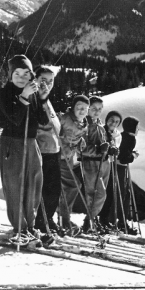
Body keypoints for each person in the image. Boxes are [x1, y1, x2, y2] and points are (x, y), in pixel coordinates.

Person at [0, 55, 48, 243]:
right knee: (15, 186)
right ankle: (19, 227)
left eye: (26, 73)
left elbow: (43, 121)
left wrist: (41, 99)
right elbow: (14, 118)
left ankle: (31, 226)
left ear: (31, 75)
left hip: (31, 143)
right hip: (12, 143)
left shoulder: (31, 93)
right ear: (10, 75)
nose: (21, 77)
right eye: (16, 73)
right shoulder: (4, 93)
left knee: (34, 184)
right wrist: (24, 97)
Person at [32, 66, 62, 233]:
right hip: (40, 150)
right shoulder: (34, 98)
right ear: (35, 79)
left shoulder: (46, 98)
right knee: (43, 189)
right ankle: (39, 220)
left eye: (50, 81)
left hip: (53, 150)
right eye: (43, 80)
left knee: (54, 189)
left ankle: (47, 218)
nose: (47, 85)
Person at [58, 95, 89, 235]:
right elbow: (56, 133)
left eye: (84, 108)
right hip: (60, 156)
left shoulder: (83, 122)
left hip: (69, 157)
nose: (82, 111)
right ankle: (64, 218)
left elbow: (77, 136)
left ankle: (64, 218)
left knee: (69, 186)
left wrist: (80, 143)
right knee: (73, 184)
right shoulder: (65, 118)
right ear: (73, 108)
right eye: (79, 108)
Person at [80, 96, 111, 233]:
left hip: (103, 163)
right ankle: (89, 220)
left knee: (99, 194)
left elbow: (103, 144)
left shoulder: (100, 125)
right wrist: (98, 149)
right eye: (93, 109)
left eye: (99, 109)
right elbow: (82, 148)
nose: (97, 111)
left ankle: (91, 220)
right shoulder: (84, 125)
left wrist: (109, 149)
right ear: (88, 109)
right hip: (90, 163)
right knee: (96, 194)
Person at [112, 116, 140, 234]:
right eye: (137, 127)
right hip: (120, 168)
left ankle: (118, 220)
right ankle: (121, 222)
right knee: (123, 194)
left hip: (115, 166)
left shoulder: (122, 135)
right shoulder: (130, 138)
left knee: (122, 193)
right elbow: (124, 158)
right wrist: (133, 156)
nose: (138, 130)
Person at [98, 111, 123, 231]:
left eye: (117, 121)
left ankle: (104, 218)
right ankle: (95, 218)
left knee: (110, 192)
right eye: (112, 120)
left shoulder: (117, 134)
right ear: (107, 119)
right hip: (101, 164)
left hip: (111, 164)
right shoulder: (101, 131)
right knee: (101, 191)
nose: (114, 123)